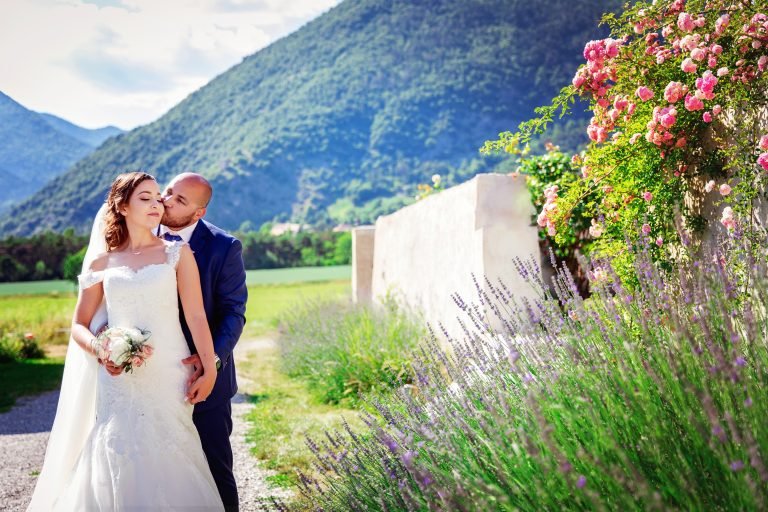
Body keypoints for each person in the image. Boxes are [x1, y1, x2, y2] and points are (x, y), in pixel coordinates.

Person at [28, 172, 224, 510]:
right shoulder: (102, 262)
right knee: (116, 447)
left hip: (169, 371)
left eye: (156, 197)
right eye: (144, 198)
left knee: (174, 448)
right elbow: (79, 324)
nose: (156, 204)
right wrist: (102, 349)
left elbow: (195, 317)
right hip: (116, 375)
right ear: (122, 206)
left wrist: (210, 369)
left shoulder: (177, 254)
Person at [159, 172, 247, 511]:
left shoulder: (225, 247)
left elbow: (233, 313)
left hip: (203, 378)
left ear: (199, 213)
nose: (167, 200)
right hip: (149, 374)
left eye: (180, 200)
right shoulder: (136, 238)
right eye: (168, 192)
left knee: (214, 469)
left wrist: (211, 361)